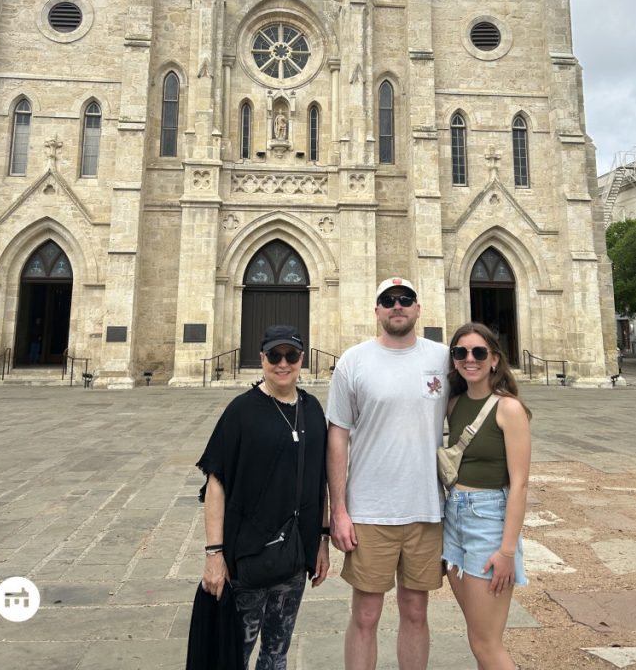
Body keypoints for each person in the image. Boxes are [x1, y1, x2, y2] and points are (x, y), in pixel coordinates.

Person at [326, 276, 449, 670]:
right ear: (376, 310)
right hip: (370, 511)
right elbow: (337, 437)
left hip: (426, 509)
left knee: (416, 611)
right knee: (365, 615)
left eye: (406, 299)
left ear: (418, 308)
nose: (397, 305)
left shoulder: (445, 360)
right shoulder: (353, 361)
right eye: (388, 300)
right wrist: (339, 511)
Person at [197, 326, 329, 669]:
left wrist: (322, 541)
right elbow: (216, 483)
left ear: (302, 359)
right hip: (247, 558)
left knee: (276, 654)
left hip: (294, 557)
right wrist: (214, 555)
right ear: (262, 359)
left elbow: (320, 481)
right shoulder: (241, 411)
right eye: (274, 355)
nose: (282, 363)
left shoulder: (313, 410)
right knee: (233, 654)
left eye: (291, 356)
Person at [442, 322, 531, 670]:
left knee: (486, 644)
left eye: (479, 352)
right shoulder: (453, 404)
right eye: (461, 353)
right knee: (479, 638)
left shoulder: (509, 409)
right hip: (453, 520)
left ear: (494, 359)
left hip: (487, 521)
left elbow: (520, 484)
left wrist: (507, 551)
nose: (469, 359)